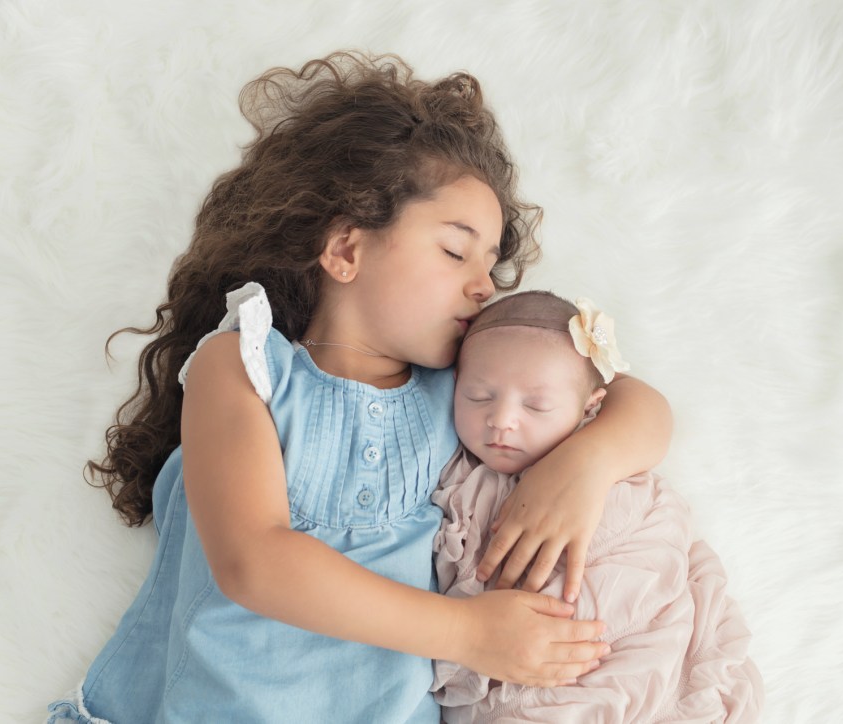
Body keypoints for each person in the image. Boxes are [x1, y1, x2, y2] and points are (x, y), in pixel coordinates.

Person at [47, 52, 673, 723]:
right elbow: (254, 562)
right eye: (456, 250)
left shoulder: (464, 392)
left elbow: (637, 402)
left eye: (492, 263)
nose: (484, 284)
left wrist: (587, 463)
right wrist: (471, 635)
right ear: (346, 249)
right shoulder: (244, 368)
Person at [432, 291, 763, 722]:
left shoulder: (613, 463)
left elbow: (665, 542)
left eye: (536, 405)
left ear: (589, 407)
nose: (502, 419)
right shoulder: (459, 475)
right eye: (478, 396)